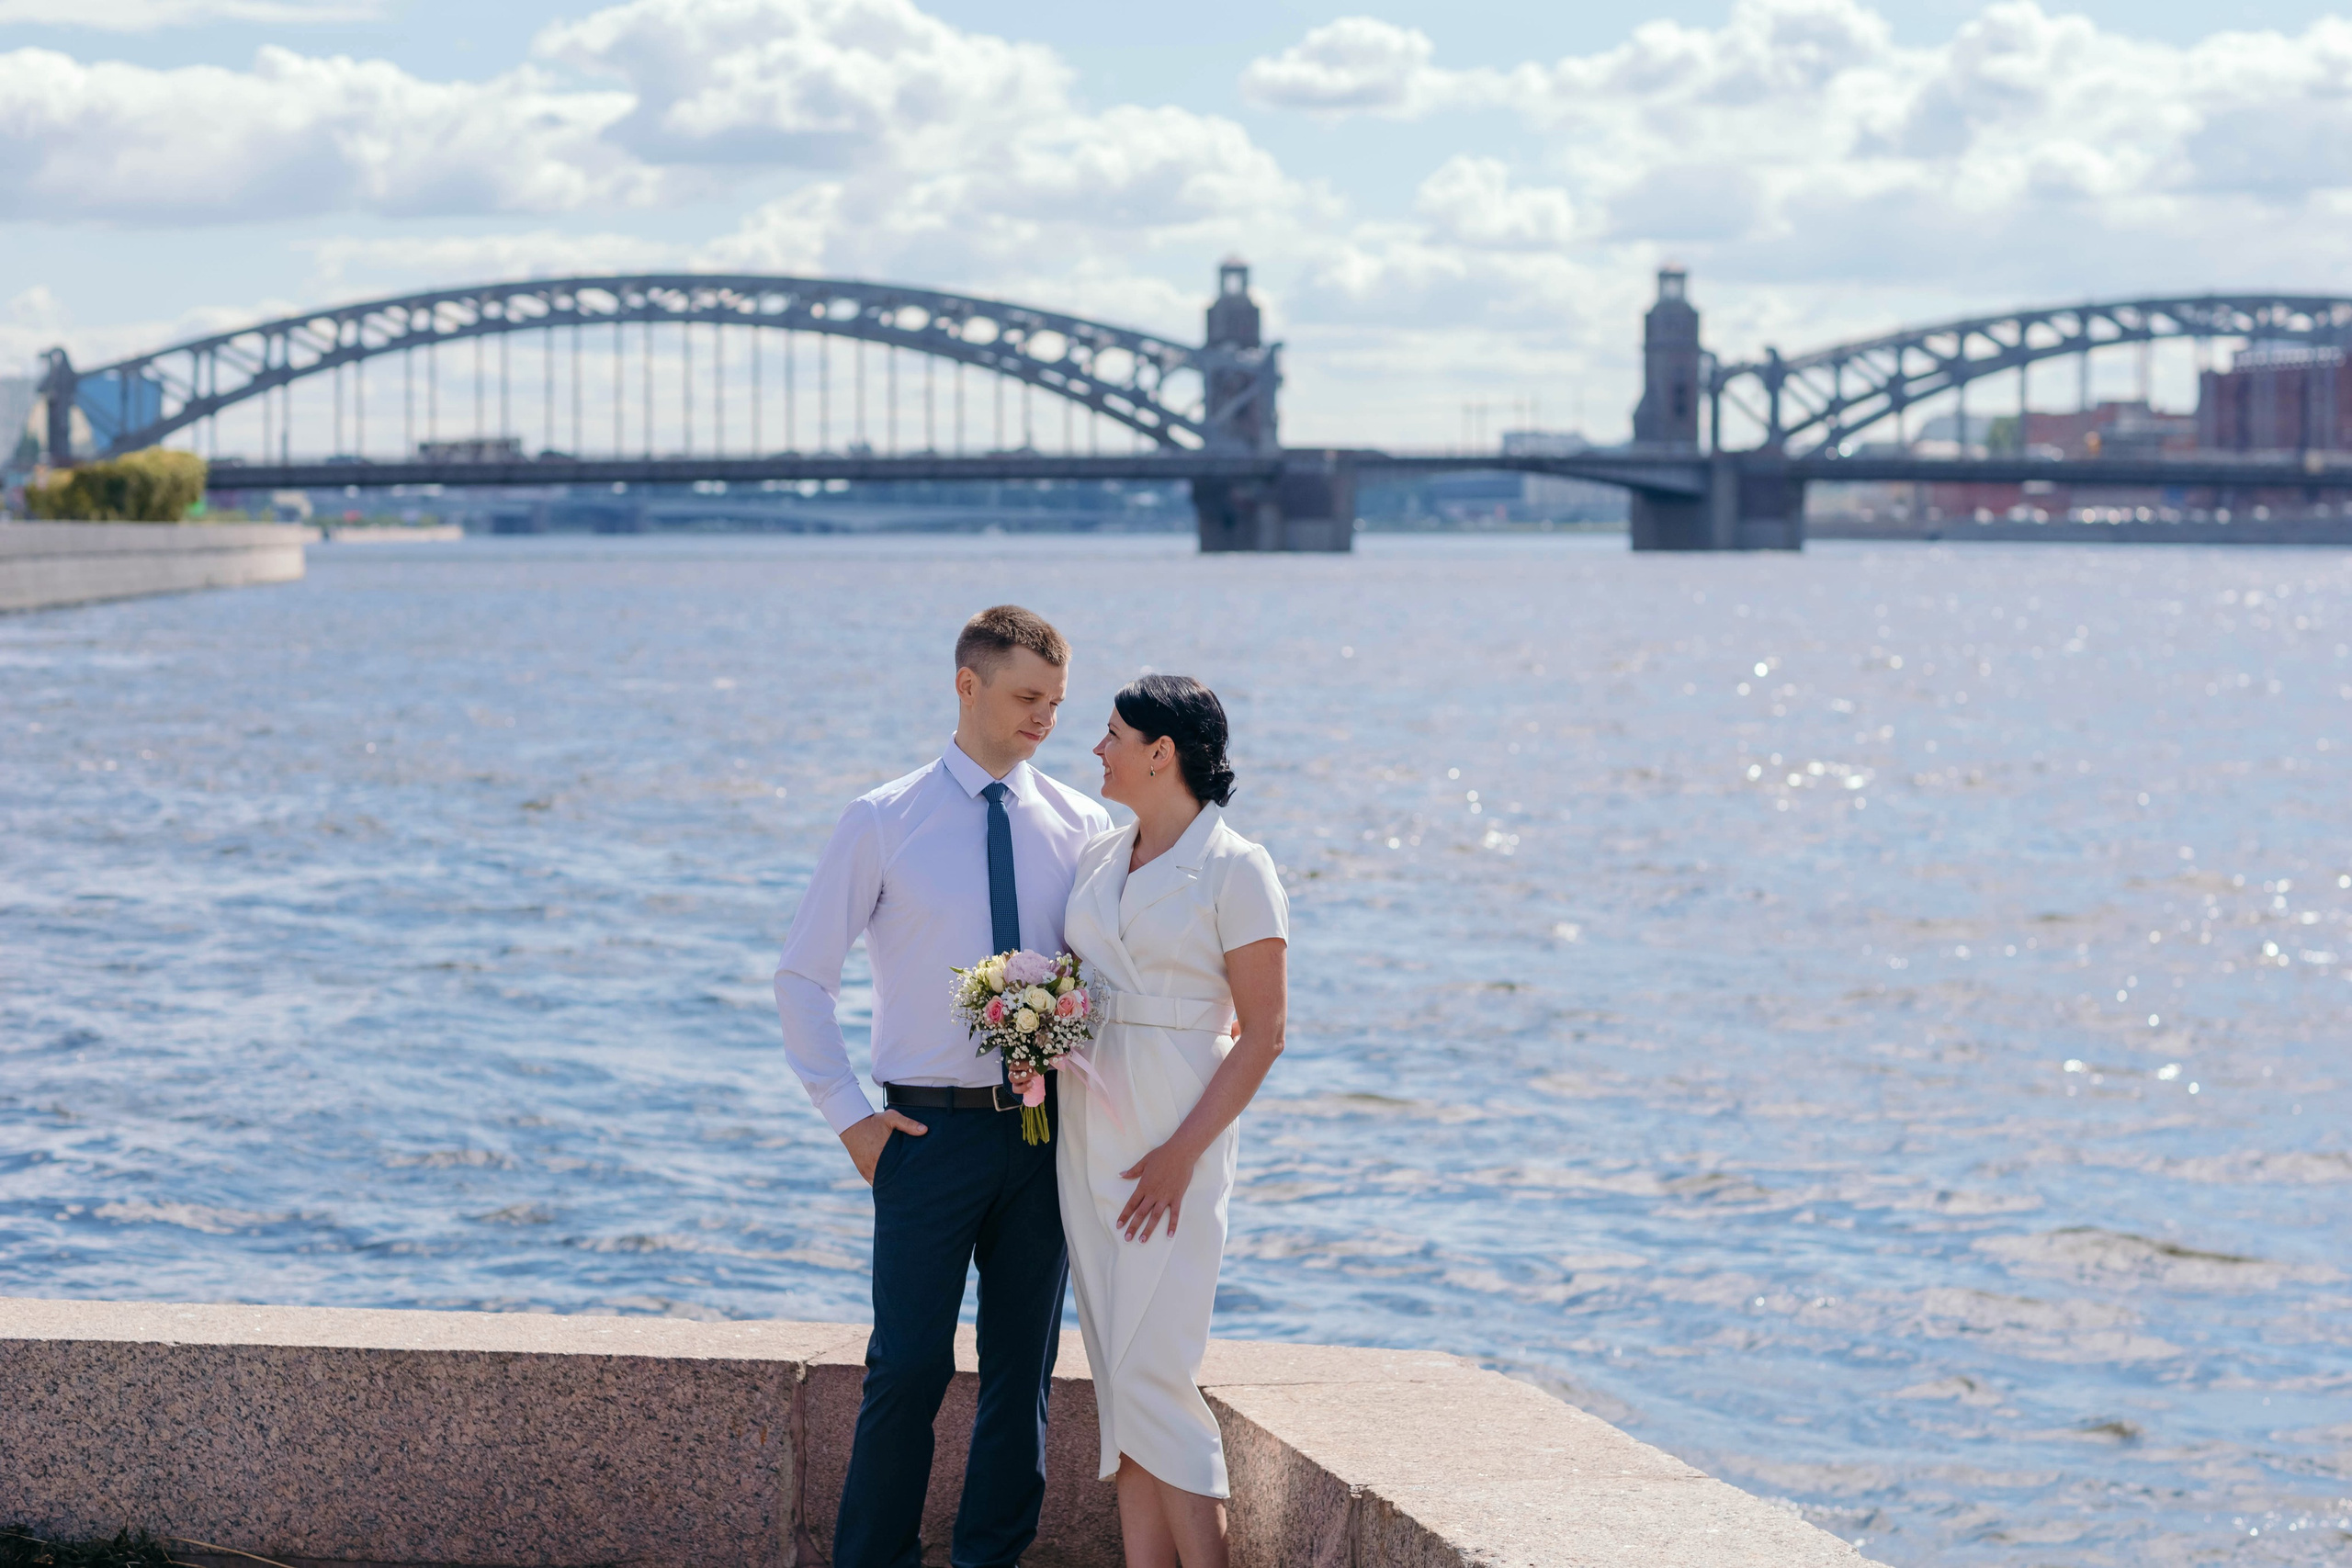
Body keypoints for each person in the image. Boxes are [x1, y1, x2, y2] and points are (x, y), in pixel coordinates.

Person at [773, 605, 1112, 1568]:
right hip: (922, 1138)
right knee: (908, 1367)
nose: (1045, 717)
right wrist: (852, 1122)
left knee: (1023, 1375)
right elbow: (803, 976)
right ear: (967, 686)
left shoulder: (1085, 827)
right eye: (1025, 697)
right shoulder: (882, 820)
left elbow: (1109, 978)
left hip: (1046, 1141)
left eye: (1055, 699)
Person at [1016, 673, 1288, 1568]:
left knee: (1160, 1373)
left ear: (1160, 752)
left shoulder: (1238, 868)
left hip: (1179, 1127)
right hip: (1088, 1127)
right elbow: (1078, 980)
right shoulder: (1102, 855)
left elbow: (1264, 1034)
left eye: (1112, 735)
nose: (1095, 748)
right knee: (1120, 1381)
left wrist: (1179, 1156)